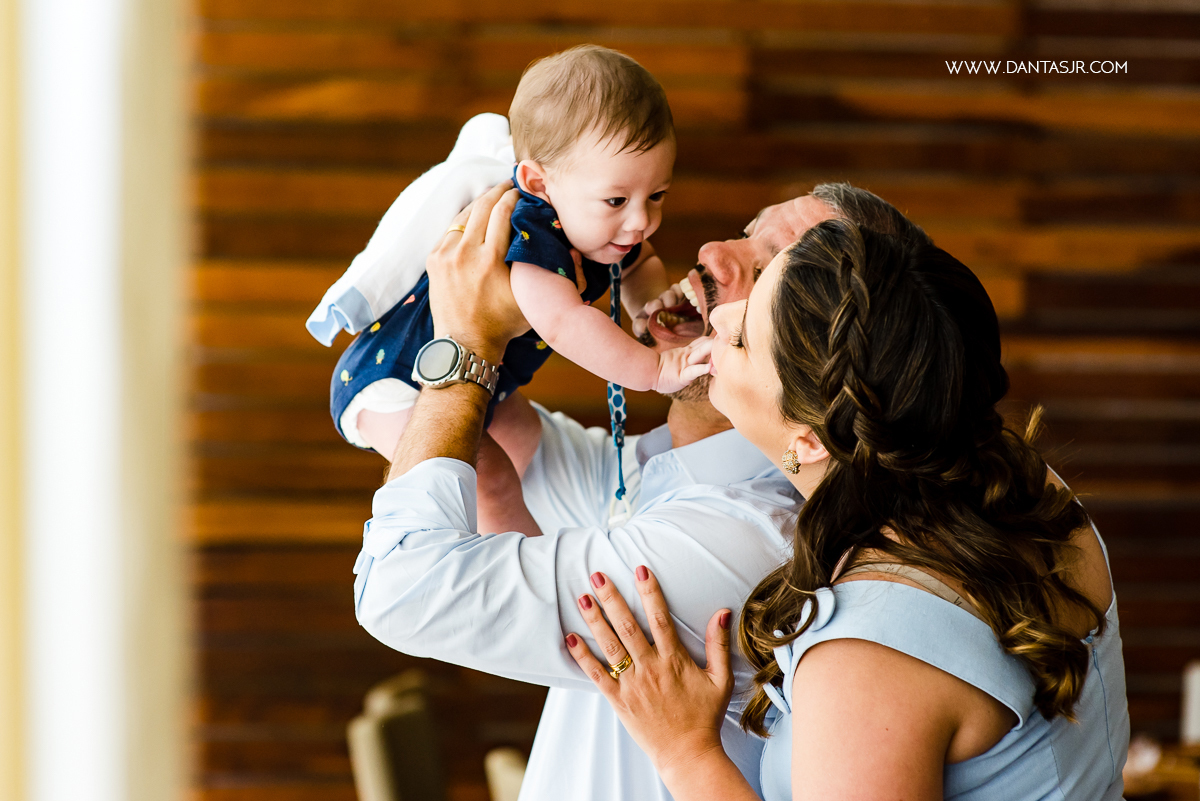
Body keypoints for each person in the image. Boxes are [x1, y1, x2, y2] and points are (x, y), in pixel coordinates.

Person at [350, 179, 925, 801]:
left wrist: (466, 346)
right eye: (746, 231)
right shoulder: (657, 469)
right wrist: (537, 261)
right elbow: (478, 428)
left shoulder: (747, 539)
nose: (712, 252)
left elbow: (398, 587)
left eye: (766, 274)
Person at [564, 220, 1130, 798]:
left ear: (809, 439)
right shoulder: (1020, 480)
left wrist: (686, 752)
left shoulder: (865, 658)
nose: (721, 318)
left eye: (742, 341)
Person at [327, 45, 707, 461]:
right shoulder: (531, 236)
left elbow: (641, 264)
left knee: (527, 448)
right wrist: (656, 370)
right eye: (616, 201)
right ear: (539, 184)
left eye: (656, 195)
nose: (641, 221)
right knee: (495, 483)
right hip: (398, 381)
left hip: (486, 378)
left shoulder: (602, 231)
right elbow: (566, 323)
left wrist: (648, 308)